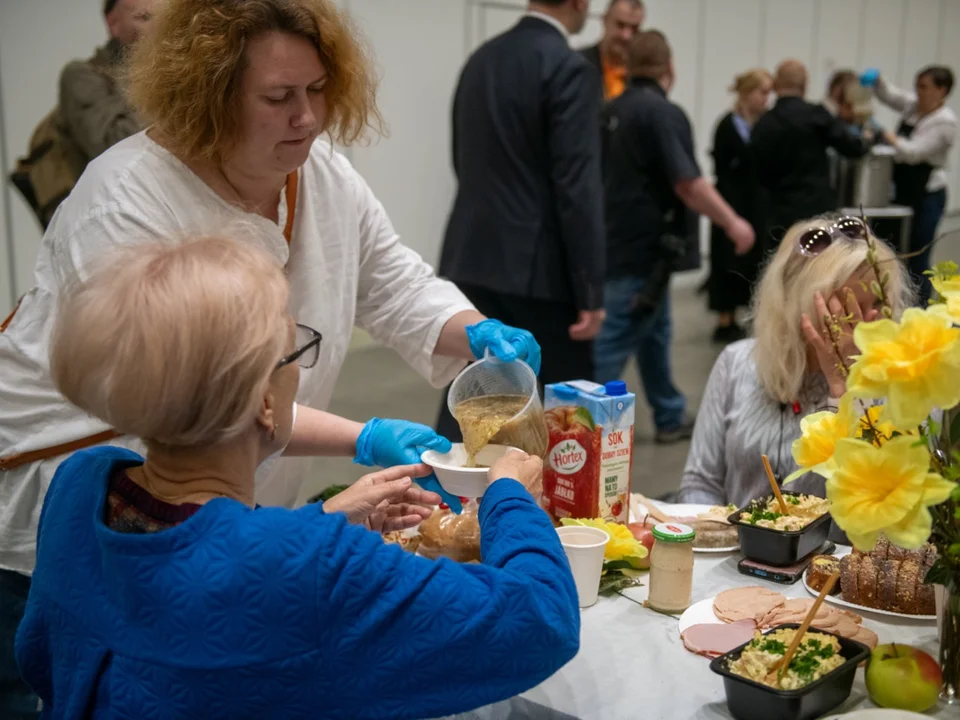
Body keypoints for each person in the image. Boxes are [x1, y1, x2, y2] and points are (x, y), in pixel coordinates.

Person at [0, 0, 542, 708]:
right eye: (279, 98)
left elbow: (391, 278)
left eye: (318, 90)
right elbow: (190, 397)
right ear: (210, 96)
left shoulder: (318, 170)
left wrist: (469, 328)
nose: (309, 118)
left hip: (208, 514)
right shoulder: (128, 203)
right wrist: (365, 436)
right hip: (58, 497)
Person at [15, 235, 579, 719]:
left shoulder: (79, 485)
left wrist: (321, 520)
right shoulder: (311, 563)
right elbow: (539, 622)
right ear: (264, 400)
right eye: (294, 354)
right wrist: (509, 496)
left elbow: (44, 651)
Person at [437, 0, 606, 439]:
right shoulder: (570, 69)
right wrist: (589, 290)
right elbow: (577, 187)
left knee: (474, 396)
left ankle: (449, 498)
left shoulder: (481, 59)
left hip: (472, 254)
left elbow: (462, 157)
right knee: (565, 416)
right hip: (540, 271)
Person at [680, 215, 912, 507]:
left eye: (877, 305)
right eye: (845, 309)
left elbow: (884, 512)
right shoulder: (736, 363)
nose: (867, 324)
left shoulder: (903, 388)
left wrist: (847, 391)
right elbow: (700, 483)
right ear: (796, 305)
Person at [596, 30, 755, 444]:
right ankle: (575, 427)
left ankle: (668, 414)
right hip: (642, 253)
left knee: (655, 332)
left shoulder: (608, 111)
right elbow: (688, 183)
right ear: (670, 69)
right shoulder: (662, 114)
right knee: (611, 347)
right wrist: (732, 222)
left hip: (620, 247)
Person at [9, 0, 153, 230]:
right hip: (104, 223)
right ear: (113, 23)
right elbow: (119, 147)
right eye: (145, 18)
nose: (159, 28)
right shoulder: (82, 77)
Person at [862, 65, 957, 305]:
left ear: (941, 90)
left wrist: (885, 133)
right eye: (917, 85)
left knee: (918, 255)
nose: (918, 92)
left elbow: (913, 152)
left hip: (928, 195)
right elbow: (891, 95)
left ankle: (922, 306)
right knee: (894, 250)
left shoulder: (945, 123)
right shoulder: (914, 106)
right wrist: (877, 81)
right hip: (904, 191)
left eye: (924, 87)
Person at [752, 60, 870, 245]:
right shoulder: (817, 115)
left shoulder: (764, 123)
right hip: (817, 210)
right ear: (805, 85)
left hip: (778, 211)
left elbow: (755, 171)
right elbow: (854, 148)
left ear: (775, 85)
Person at [707, 68, 772, 344]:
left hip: (757, 204)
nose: (766, 99)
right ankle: (725, 317)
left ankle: (753, 313)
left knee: (756, 260)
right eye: (762, 92)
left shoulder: (766, 125)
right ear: (746, 93)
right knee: (727, 258)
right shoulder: (727, 126)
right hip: (730, 204)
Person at [579, 0, 646, 104]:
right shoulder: (579, 63)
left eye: (634, 28)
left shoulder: (642, 74)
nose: (626, 36)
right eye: (620, 25)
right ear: (604, 20)